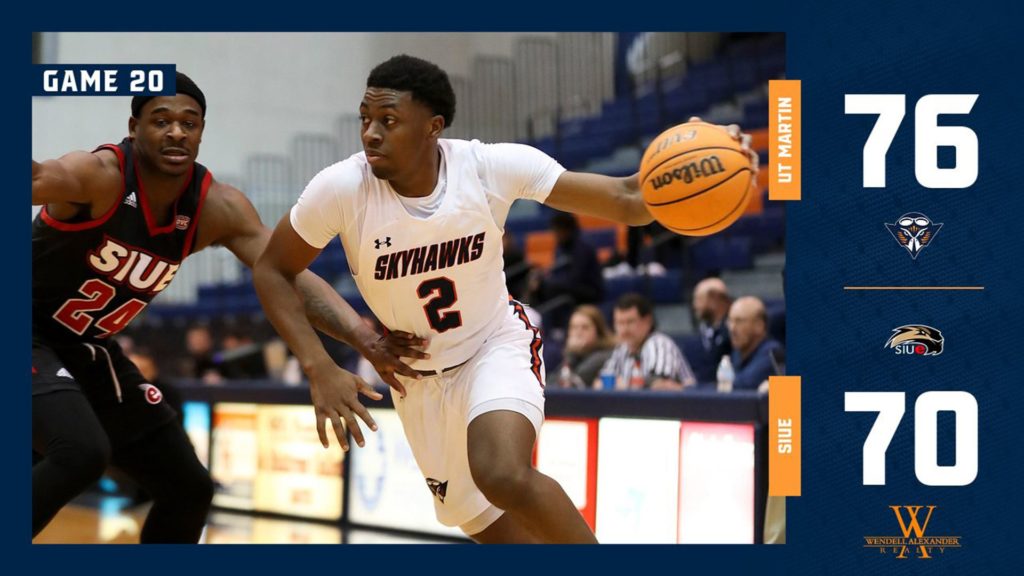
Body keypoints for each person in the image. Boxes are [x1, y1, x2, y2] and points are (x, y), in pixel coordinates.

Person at [253, 55, 755, 543]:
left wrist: (716, 154)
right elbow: (275, 269)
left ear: (434, 126)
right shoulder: (342, 188)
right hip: (417, 379)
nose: (370, 134)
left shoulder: (489, 167)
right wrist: (326, 361)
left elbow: (628, 198)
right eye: (365, 119)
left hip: (492, 344)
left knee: (501, 472)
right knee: (491, 531)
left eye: (388, 120)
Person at [31, 72, 418, 543]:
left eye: (189, 123)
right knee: (81, 453)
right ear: (134, 128)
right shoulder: (99, 176)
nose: (177, 131)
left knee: (188, 487)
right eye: (161, 121)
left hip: (86, 346)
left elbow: (287, 274)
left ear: (201, 132)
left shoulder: (217, 208)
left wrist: (365, 339)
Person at [597, 292, 696, 390]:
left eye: (630, 322)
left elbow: (659, 385)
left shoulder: (659, 343)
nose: (624, 329)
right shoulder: (622, 349)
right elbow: (601, 382)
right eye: (619, 323)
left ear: (647, 322)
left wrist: (624, 386)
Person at [526, 212, 603, 328]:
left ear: (568, 229)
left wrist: (547, 282)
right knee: (538, 287)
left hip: (589, 291)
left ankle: (549, 328)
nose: (555, 234)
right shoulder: (560, 248)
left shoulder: (582, 249)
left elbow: (575, 279)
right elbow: (558, 274)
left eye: (557, 230)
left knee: (548, 288)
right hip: (570, 289)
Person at [725, 296, 784, 391]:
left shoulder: (772, 352)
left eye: (739, 321)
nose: (732, 328)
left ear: (759, 326)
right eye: (730, 321)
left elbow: (744, 385)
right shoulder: (737, 353)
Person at [551, 305, 615, 389]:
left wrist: (572, 353)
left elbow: (573, 382)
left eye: (585, 328)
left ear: (598, 331)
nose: (578, 332)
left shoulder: (605, 355)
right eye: (574, 327)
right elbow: (550, 383)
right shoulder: (575, 356)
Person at [691, 277, 733, 386]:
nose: (695, 305)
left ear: (714, 299)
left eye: (699, 299)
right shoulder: (705, 331)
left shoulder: (733, 331)